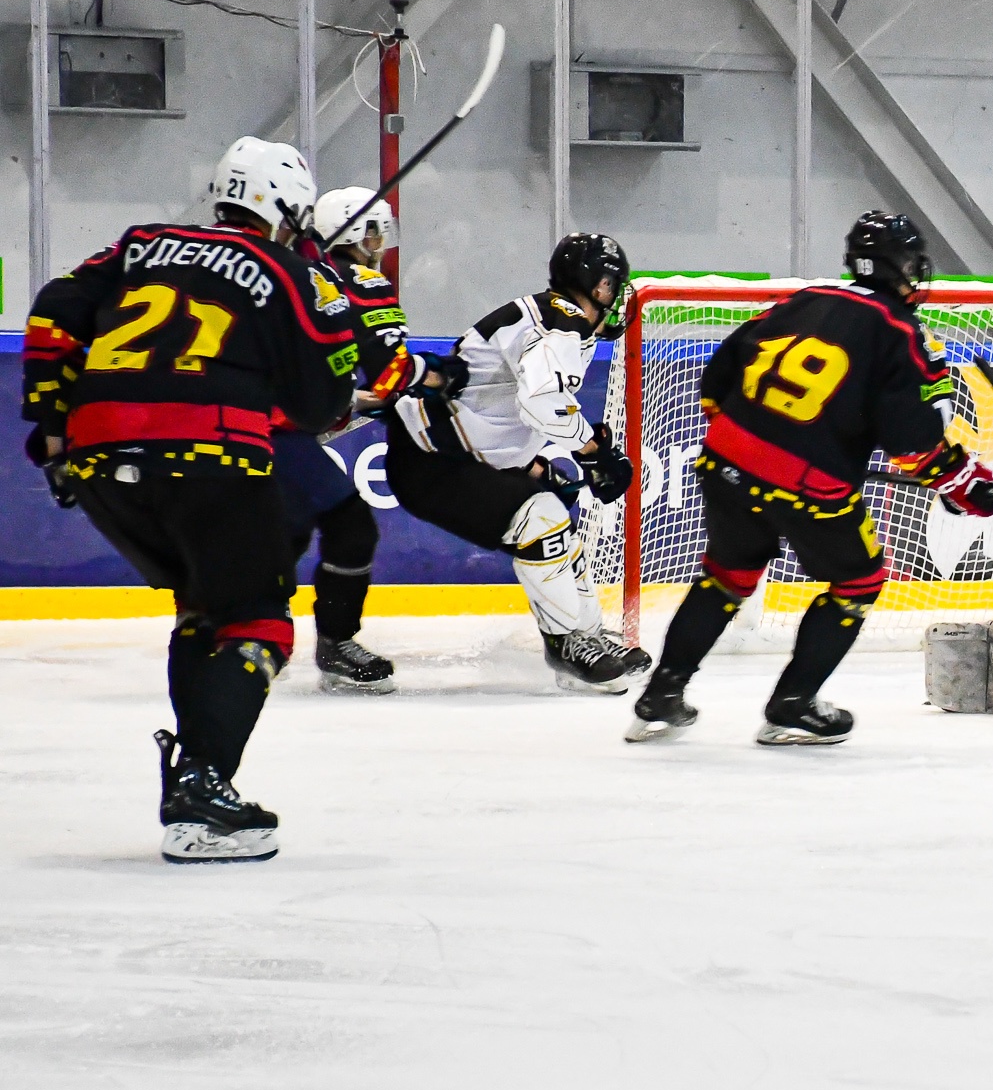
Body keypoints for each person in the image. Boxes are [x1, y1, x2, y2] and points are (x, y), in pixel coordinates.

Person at [20, 135, 358, 862]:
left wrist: (51, 419)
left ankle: (198, 779)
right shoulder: (292, 271)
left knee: (203, 608)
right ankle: (202, 784)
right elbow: (322, 402)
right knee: (258, 621)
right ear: (286, 208)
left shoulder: (140, 245)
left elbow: (52, 310)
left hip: (98, 454)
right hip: (210, 453)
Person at [625, 211, 993, 746]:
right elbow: (912, 441)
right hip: (803, 484)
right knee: (859, 581)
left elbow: (718, 377)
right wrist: (960, 483)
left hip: (724, 459)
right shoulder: (899, 329)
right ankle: (792, 705)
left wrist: (757, 444)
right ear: (900, 266)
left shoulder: (803, 300)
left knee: (726, 577)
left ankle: (661, 694)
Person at [384, 232, 650, 692]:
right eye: (611, 284)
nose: (614, 296)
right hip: (429, 461)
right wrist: (593, 452)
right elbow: (541, 403)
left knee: (553, 516)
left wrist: (537, 468)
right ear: (594, 283)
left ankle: (587, 635)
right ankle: (566, 644)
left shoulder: (552, 316)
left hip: (449, 455)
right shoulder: (563, 321)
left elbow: (498, 412)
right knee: (540, 518)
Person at [268, 186, 464, 693]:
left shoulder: (292, 271)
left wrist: (349, 400)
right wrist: (440, 375)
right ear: (359, 232)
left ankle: (253, 624)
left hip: (245, 419)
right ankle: (330, 641)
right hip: (278, 430)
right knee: (350, 528)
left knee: (285, 529)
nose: (380, 245)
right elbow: (391, 370)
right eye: (376, 233)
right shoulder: (363, 283)